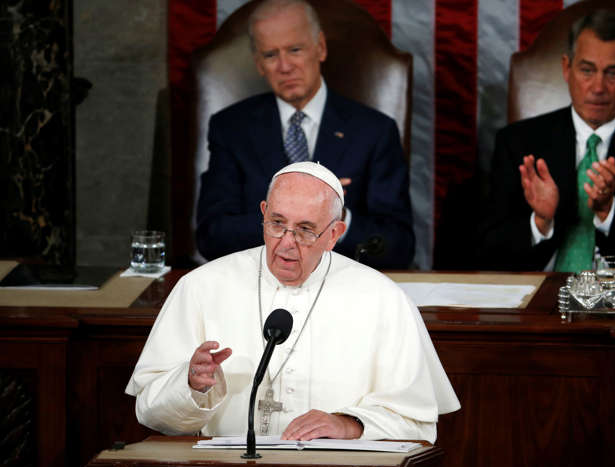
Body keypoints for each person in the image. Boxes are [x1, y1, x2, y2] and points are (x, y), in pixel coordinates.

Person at [126, 162, 460, 443]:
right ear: (263, 213)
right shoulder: (201, 286)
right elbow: (149, 411)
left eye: (305, 230)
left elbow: (419, 423)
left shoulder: (383, 299)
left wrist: (349, 424)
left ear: (334, 234)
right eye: (277, 224)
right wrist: (189, 384)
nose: (286, 243)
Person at [476, 9, 615, 277]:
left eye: (613, 73)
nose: (598, 87)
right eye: (587, 70)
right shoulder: (518, 142)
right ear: (567, 68)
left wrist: (608, 213)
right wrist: (540, 221)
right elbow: (489, 253)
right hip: (539, 303)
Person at [196, 0, 414, 269]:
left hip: (343, 286)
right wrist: (286, 219)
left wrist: (338, 219)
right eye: (270, 55)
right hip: (256, 284)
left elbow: (399, 246)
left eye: (295, 49)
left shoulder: (375, 131)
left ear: (320, 48)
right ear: (259, 64)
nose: (285, 66)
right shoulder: (231, 128)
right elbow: (211, 236)